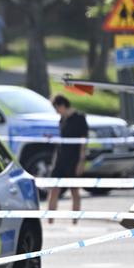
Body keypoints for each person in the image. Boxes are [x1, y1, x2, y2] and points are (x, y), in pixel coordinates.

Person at [46, 95, 89, 223]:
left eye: (57, 108)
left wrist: (81, 161)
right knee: (54, 189)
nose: (57, 112)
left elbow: (83, 141)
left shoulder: (80, 119)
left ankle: (75, 219)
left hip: (73, 159)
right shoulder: (62, 119)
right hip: (60, 159)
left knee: (74, 190)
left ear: (62, 106)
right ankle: (50, 219)